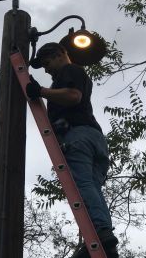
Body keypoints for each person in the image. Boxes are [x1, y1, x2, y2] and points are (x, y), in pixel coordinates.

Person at [26, 42, 119, 258]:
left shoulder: (70, 70)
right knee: (92, 188)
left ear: (60, 54)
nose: (47, 69)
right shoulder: (69, 75)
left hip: (79, 137)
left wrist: (40, 91)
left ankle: (101, 233)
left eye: (47, 63)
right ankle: (102, 240)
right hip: (94, 140)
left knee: (83, 185)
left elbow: (73, 96)